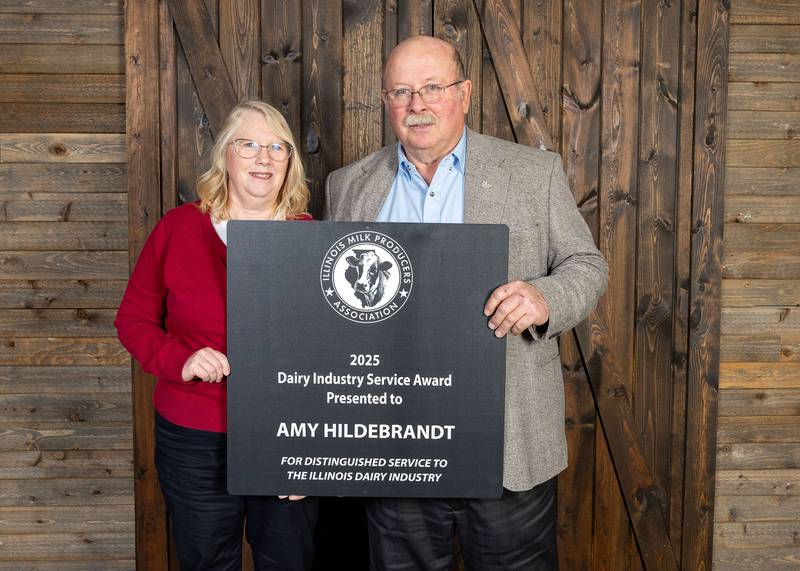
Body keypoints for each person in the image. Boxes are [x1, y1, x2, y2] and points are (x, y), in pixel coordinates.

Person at [325, 36, 608, 570]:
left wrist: (543, 297)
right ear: (386, 101)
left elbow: (587, 266)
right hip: (392, 446)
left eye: (433, 87)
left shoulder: (532, 174)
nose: (418, 104)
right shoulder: (348, 187)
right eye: (402, 91)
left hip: (505, 442)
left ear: (466, 93)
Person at [116, 100, 318, 571]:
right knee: (207, 560)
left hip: (286, 432)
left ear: (290, 160)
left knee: (290, 560)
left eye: (276, 147)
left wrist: (315, 448)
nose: (263, 158)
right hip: (195, 435)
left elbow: (330, 347)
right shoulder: (178, 228)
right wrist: (179, 360)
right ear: (225, 153)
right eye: (248, 144)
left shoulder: (312, 239)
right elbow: (133, 320)